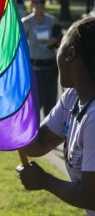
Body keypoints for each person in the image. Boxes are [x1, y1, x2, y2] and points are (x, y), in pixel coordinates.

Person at [17, 17, 95, 215]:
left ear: (70, 53)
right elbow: (37, 145)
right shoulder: (72, 97)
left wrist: (44, 180)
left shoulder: (94, 119)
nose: (56, 52)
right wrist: (13, 108)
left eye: (60, 45)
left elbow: (90, 196)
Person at [22, 0, 63, 116]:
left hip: (50, 68)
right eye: (36, 1)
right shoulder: (26, 22)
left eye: (42, 1)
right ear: (31, 3)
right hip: (35, 69)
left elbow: (60, 42)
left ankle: (49, 134)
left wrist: (55, 41)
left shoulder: (53, 21)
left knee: (51, 106)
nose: (39, 4)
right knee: (35, 106)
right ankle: (35, 134)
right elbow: (20, 47)